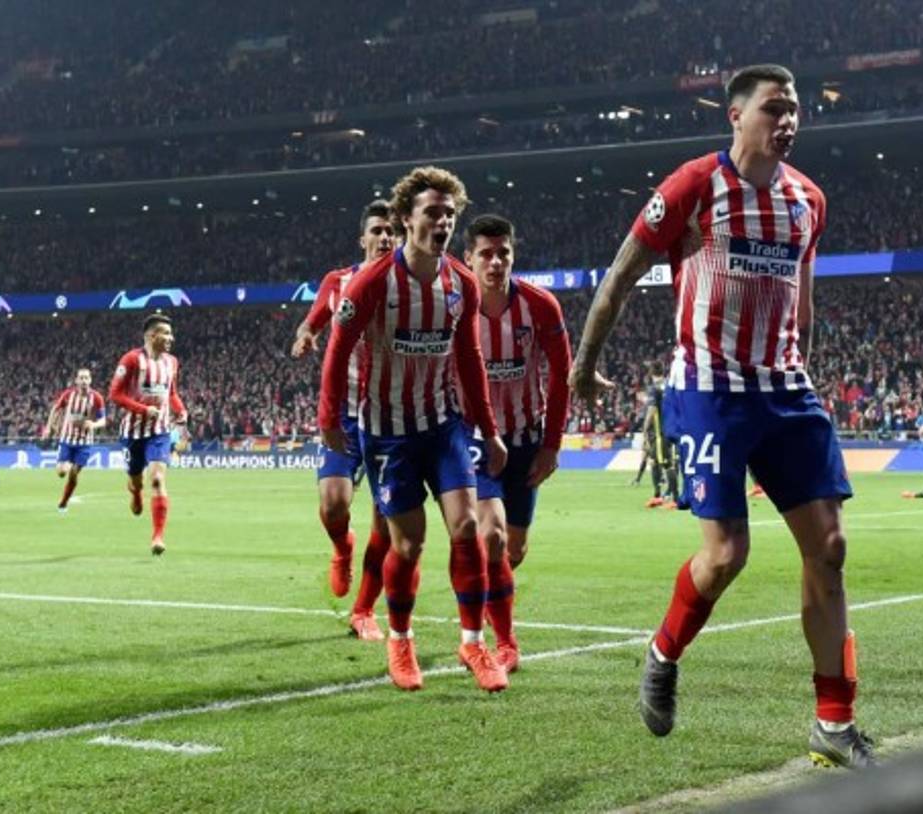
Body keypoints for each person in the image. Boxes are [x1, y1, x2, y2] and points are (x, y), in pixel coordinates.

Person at [569, 64, 874, 768]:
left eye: (796, 109)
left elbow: (802, 300)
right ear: (735, 116)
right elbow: (619, 275)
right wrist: (584, 366)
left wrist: (804, 368)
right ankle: (662, 652)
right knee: (727, 555)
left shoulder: (809, 202)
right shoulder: (693, 187)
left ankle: (833, 723)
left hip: (786, 391)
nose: (788, 120)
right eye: (774, 108)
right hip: (709, 390)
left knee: (829, 547)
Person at [319, 165, 509, 693]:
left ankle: (473, 642)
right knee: (408, 545)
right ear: (406, 218)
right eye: (433, 212)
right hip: (387, 433)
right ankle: (400, 640)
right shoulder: (374, 282)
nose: (443, 222)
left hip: (444, 424)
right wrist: (329, 418)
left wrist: (488, 431)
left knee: (466, 527)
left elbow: (470, 357)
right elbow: (336, 350)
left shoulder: (460, 283)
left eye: (450, 214)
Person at [461, 213, 571, 673]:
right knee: (492, 535)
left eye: (502, 252)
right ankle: (499, 641)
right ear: (468, 259)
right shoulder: (454, 306)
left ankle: (479, 596)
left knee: (514, 550)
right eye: (485, 253)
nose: (495, 261)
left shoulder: (540, 306)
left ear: (513, 254)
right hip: (474, 439)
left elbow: (562, 375)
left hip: (527, 437)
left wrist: (551, 445)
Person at [292, 199, 395, 640]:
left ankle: (364, 610)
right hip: (347, 417)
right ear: (363, 238)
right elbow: (310, 323)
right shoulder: (337, 282)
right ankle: (342, 548)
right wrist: (305, 338)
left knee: (387, 521)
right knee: (333, 504)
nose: (385, 237)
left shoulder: (409, 285)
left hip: (392, 419)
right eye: (377, 230)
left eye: (392, 231)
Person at [110, 314, 188, 555]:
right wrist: (143, 409)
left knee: (157, 479)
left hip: (160, 432)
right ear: (151, 335)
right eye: (166, 333)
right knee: (136, 480)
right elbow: (115, 394)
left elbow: (171, 393)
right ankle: (135, 492)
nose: (171, 338)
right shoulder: (132, 360)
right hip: (133, 432)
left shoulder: (172, 362)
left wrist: (181, 410)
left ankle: (157, 536)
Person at [43, 368, 107, 513]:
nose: (84, 381)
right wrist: (48, 427)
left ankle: (64, 503)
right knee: (61, 472)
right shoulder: (68, 395)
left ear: (90, 380)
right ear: (77, 381)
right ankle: (67, 468)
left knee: (73, 473)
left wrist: (94, 424)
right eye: (81, 378)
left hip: (84, 444)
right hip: (66, 440)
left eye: (86, 378)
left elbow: (103, 420)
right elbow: (56, 409)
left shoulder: (96, 398)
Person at [637, 366, 678, 508]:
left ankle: (675, 499)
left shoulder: (654, 388)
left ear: (651, 374)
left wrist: (645, 427)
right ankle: (657, 496)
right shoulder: (669, 385)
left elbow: (652, 409)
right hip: (671, 428)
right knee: (653, 461)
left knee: (667, 464)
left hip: (660, 432)